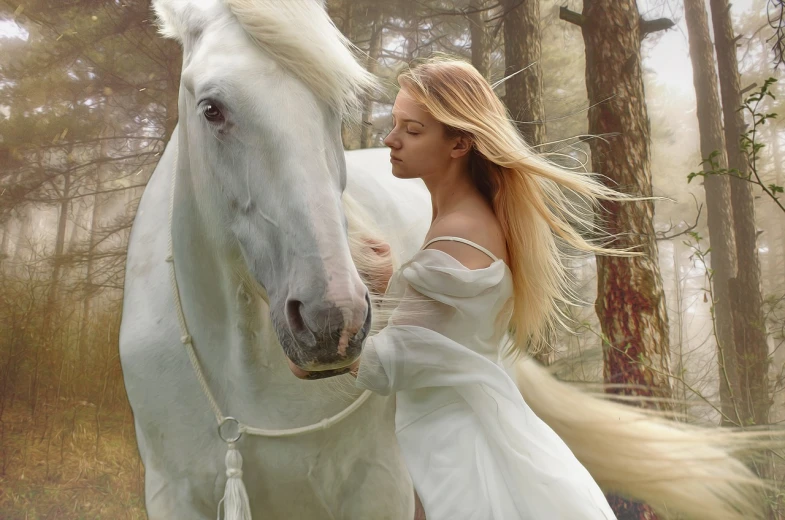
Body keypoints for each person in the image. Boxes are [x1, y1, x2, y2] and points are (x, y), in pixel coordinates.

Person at [350, 57, 627, 519]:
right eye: (394, 123)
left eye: (412, 130)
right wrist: (384, 285)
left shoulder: (456, 236)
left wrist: (314, 344)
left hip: (460, 459)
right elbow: (445, 341)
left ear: (459, 143)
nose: (390, 140)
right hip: (456, 441)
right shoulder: (469, 220)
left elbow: (381, 369)